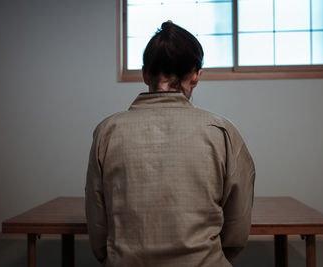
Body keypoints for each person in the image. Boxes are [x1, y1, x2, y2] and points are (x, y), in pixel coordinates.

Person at [85, 21, 255, 267]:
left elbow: (98, 229)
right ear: (195, 75)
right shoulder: (222, 132)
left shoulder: (107, 132)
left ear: (145, 73)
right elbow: (236, 229)